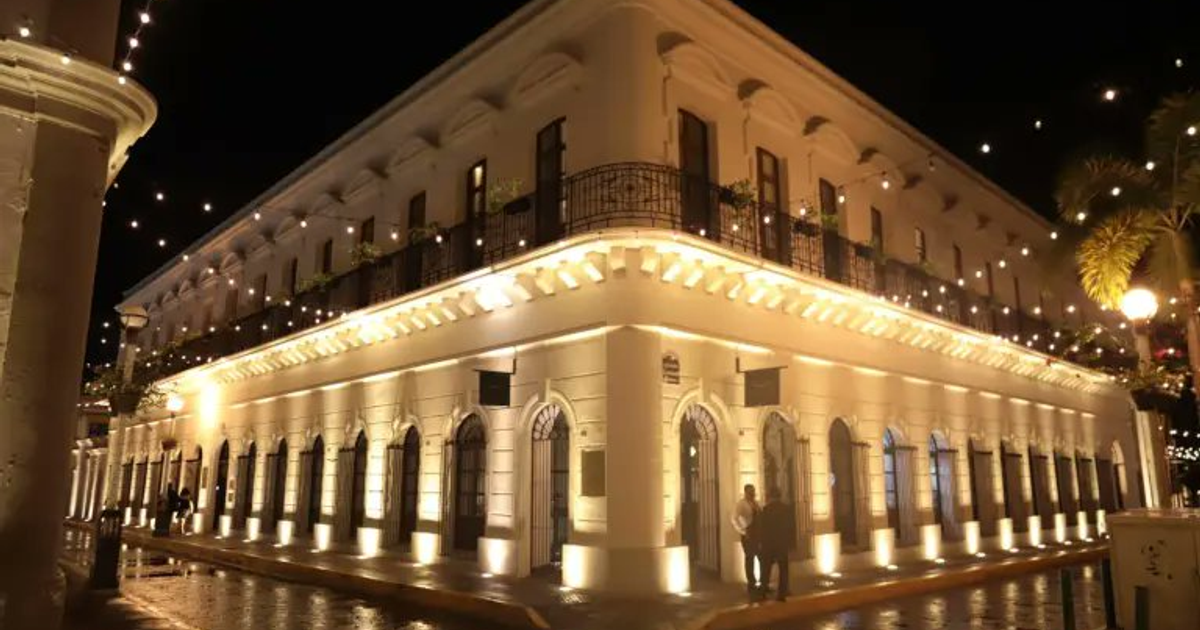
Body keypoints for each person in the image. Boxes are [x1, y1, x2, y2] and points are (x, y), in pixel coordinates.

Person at [759, 485, 795, 602]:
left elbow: (762, 528)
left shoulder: (765, 510)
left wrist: (761, 543)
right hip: (781, 543)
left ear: (770, 496)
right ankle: (782, 593)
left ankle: (762, 592)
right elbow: (790, 527)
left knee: (766, 569)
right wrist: (789, 542)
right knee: (783, 569)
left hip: (768, 544)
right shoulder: (786, 509)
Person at [731, 483, 761, 596]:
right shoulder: (741, 504)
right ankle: (751, 584)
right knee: (750, 559)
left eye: (753, 491)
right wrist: (743, 531)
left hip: (758, 535)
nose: (753, 493)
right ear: (745, 492)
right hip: (748, 535)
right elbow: (734, 518)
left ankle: (762, 583)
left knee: (761, 557)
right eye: (750, 492)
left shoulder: (756, 503)